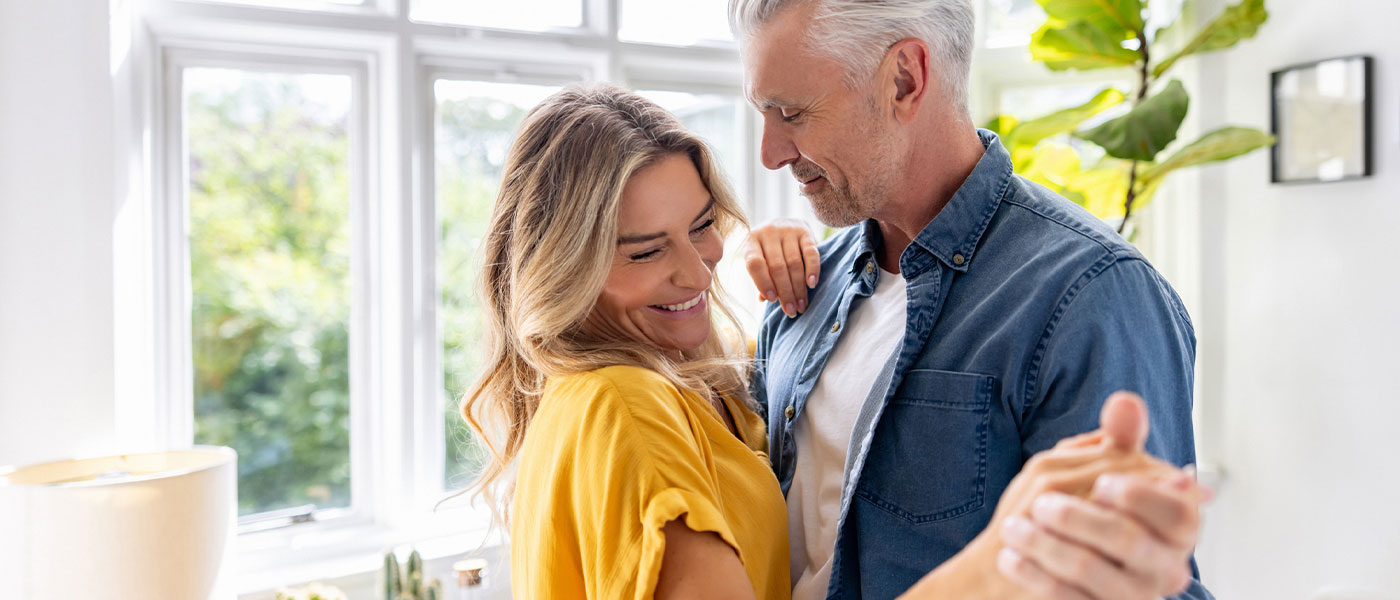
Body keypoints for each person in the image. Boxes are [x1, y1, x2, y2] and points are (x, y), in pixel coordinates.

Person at [460, 83, 1201, 600]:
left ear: (905, 78)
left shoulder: (661, 384)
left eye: (703, 225)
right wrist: (1000, 566)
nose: (698, 269)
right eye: (646, 250)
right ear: (565, 268)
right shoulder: (624, 407)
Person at [730, 0, 1214, 599]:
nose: (770, 153)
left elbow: (1142, 583)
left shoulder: (1093, 294)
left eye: (792, 113)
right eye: (762, 114)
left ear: (904, 79)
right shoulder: (802, 287)